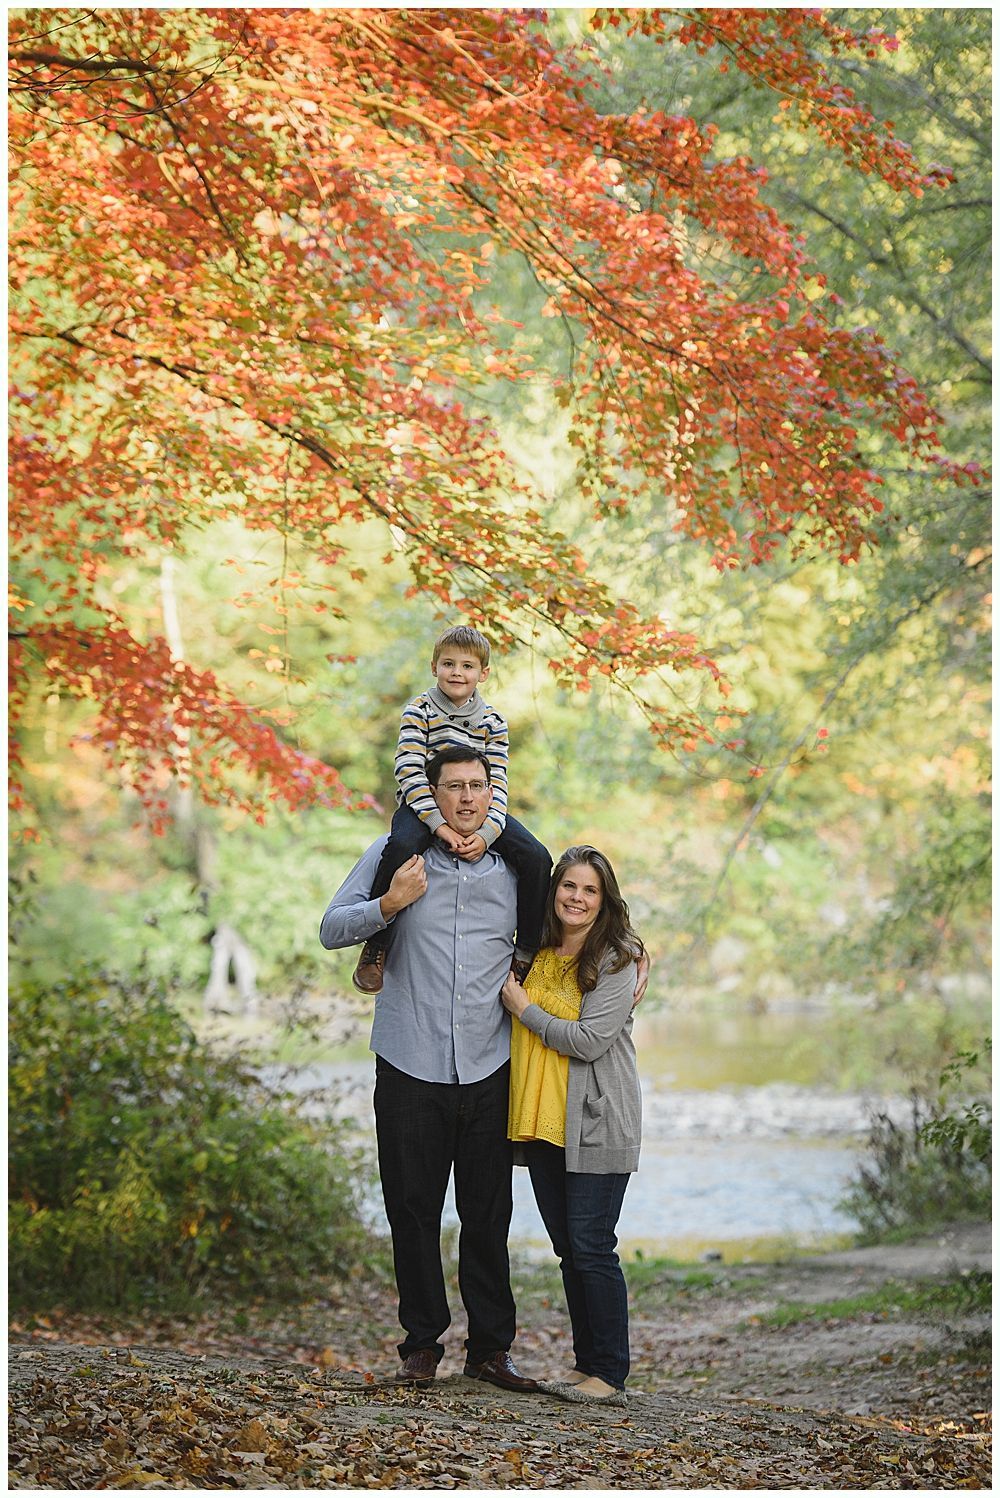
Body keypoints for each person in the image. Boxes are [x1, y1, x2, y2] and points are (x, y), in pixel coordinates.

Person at [319, 747, 540, 1391]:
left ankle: (491, 1351)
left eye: (478, 786)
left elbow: (582, 918)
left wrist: (633, 955)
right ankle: (421, 1345)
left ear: (491, 792)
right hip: (408, 1062)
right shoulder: (397, 855)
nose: (467, 799)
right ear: (431, 795)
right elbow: (332, 927)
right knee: (411, 1209)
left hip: (490, 1064)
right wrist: (389, 904)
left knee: (487, 1212)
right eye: (453, 787)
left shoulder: (514, 869)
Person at [500, 845, 645, 1409]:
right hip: (542, 1122)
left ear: (604, 899)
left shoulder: (616, 959)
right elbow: (519, 844)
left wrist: (525, 1010)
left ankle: (608, 1372)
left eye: (589, 890)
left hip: (596, 1120)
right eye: (569, 887)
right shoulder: (536, 948)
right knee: (570, 1248)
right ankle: (589, 1368)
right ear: (554, 890)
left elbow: (588, 1042)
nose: (577, 898)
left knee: (591, 1247)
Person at [351, 624, 551, 995]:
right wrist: (440, 827)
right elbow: (409, 770)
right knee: (399, 847)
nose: (457, 673)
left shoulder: (493, 721)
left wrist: (487, 832)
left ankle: (526, 952)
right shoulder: (419, 710)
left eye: (467, 666)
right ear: (434, 667)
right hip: (424, 804)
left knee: (537, 857)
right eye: (448, 664)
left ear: (483, 673)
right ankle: (376, 945)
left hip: (480, 809)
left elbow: (499, 782)